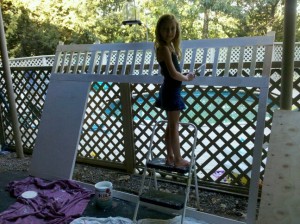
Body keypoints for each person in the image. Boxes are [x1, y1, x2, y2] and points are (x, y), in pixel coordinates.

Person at [154, 14, 195, 168]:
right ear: (159, 31)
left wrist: (183, 76)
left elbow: (171, 72)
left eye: (172, 29)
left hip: (170, 90)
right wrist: (187, 78)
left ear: (176, 30)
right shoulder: (164, 48)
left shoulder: (170, 46)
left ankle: (170, 156)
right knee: (174, 127)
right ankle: (177, 160)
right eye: (166, 29)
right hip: (171, 92)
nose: (170, 32)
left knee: (170, 127)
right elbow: (172, 74)